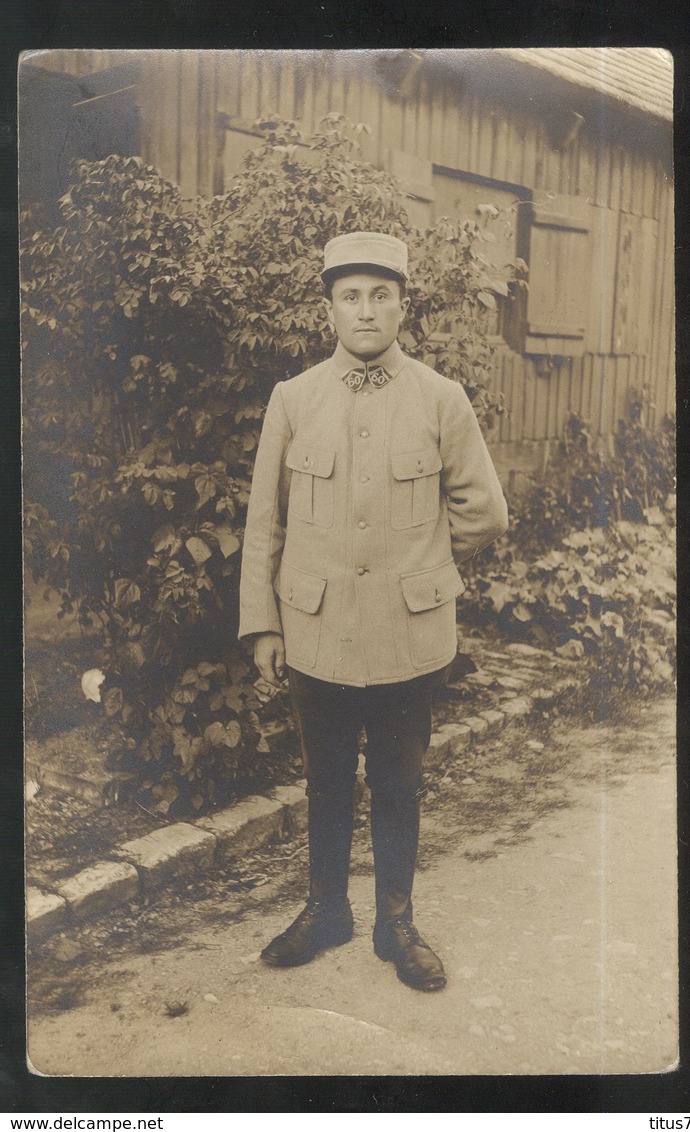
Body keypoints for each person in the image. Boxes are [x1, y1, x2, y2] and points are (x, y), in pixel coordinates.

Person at [238, 231, 508, 992]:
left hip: (407, 637)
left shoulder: (439, 397)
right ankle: (326, 910)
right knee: (324, 782)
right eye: (350, 296)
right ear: (328, 309)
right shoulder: (293, 399)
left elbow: (484, 513)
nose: (365, 310)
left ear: (402, 306)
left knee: (398, 782)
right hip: (314, 630)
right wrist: (262, 621)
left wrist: (419, 566)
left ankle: (396, 923)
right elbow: (267, 520)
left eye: (380, 295)